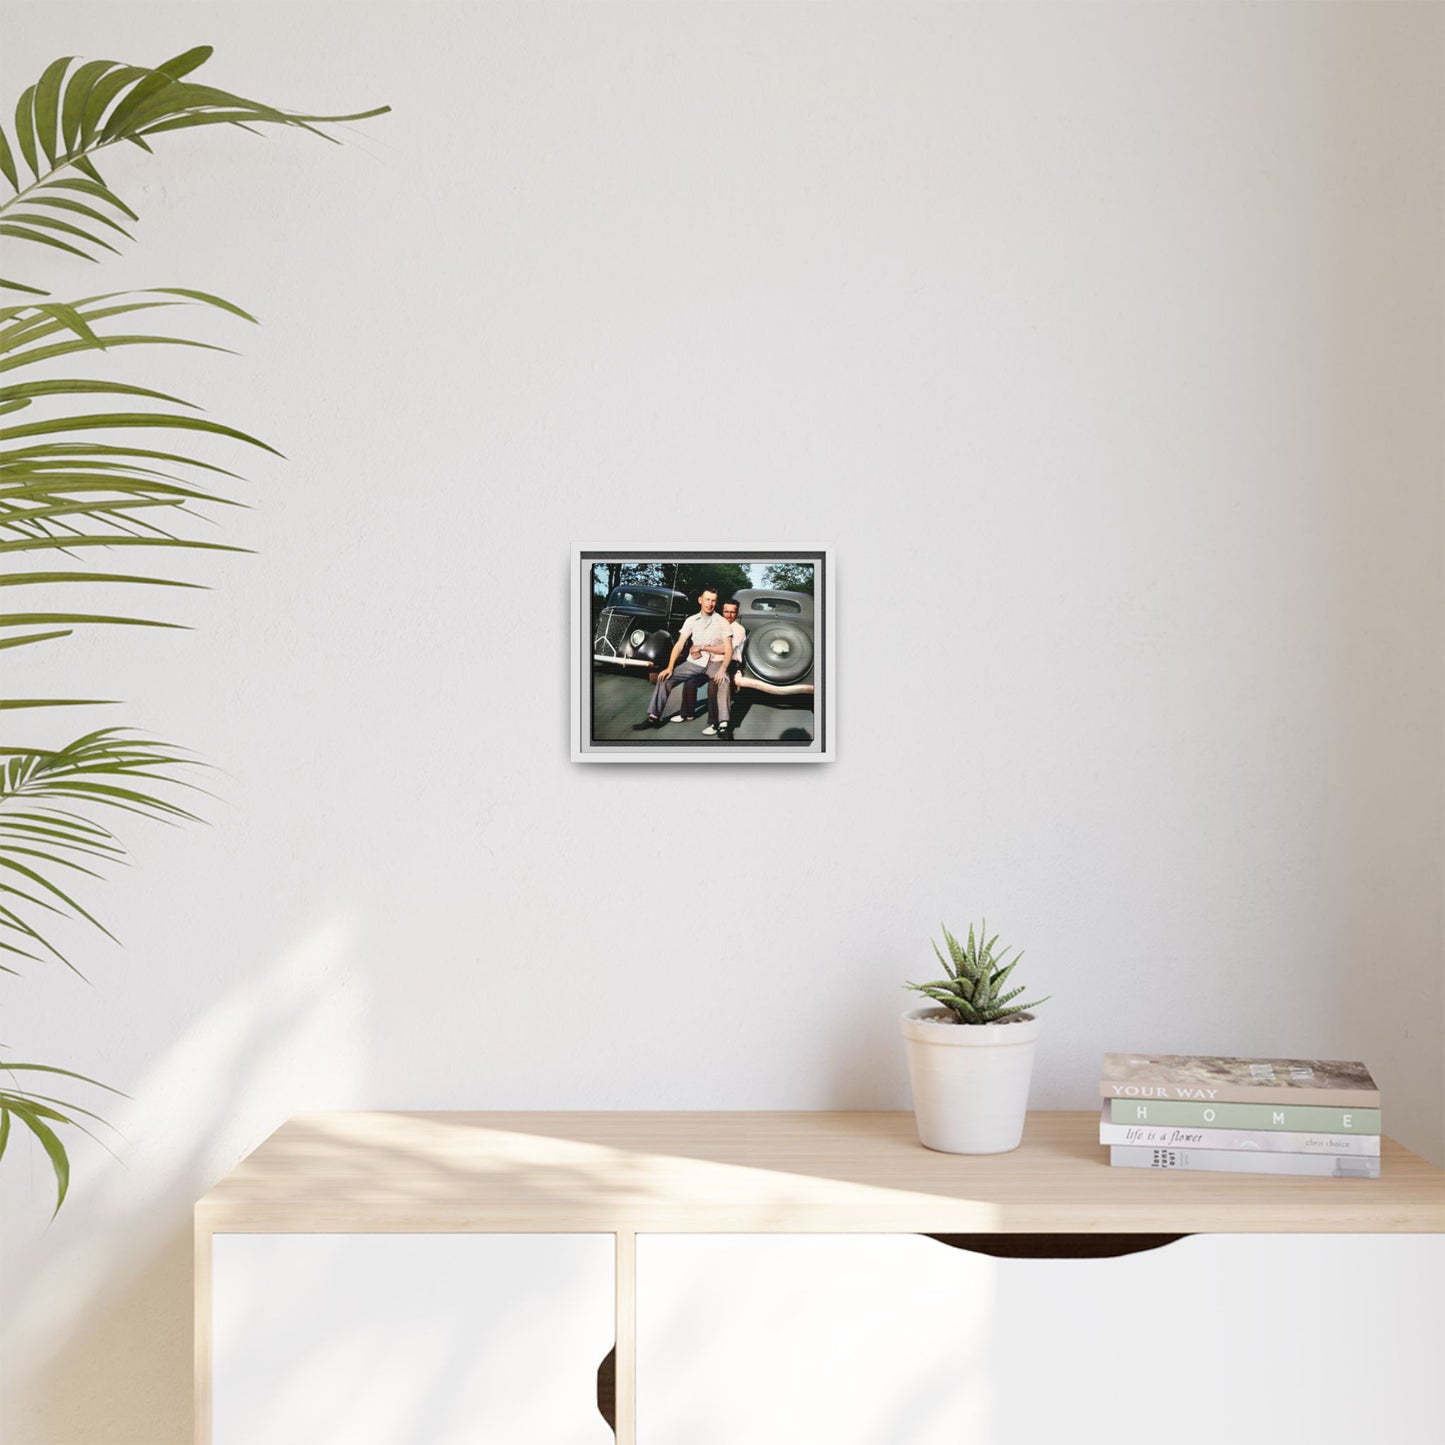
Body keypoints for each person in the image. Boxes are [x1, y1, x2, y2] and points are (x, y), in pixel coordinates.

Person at [633, 587, 733, 729]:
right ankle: (653, 718)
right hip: (695, 662)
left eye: (713, 601)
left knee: (724, 680)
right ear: (700, 600)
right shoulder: (691, 620)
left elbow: (729, 648)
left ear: (716, 603)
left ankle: (724, 724)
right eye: (707, 600)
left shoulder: (722, 621)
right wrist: (670, 667)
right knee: (665, 677)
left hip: (715, 662)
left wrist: (723, 669)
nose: (710, 603)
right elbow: (679, 644)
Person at [702, 599, 747, 738]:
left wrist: (707, 648)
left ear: (737, 613)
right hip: (713, 660)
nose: (729, 615)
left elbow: (727, 650)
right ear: (722, 611)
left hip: (731, 661)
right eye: (726, 611)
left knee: (719, 679)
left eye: (732, 612)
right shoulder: (717, 625)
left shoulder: (739, 629)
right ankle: (717, 723)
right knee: (711, 678)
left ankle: (721, 724)